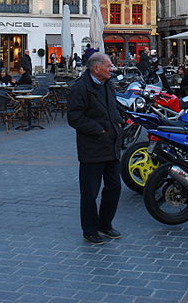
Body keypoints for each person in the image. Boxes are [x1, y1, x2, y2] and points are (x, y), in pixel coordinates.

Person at [67, 52, 123, 245]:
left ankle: (105, 224)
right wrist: (98, 129)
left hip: (112, 145)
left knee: (114, 188)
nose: (111, 69)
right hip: (92, 148)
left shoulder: (107, 84)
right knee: (90, 193)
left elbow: (113, 107)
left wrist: (120, 121)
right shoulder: (80, 88)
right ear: (96, 68)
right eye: (108, 66)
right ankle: (90, 230)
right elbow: (74, 117)